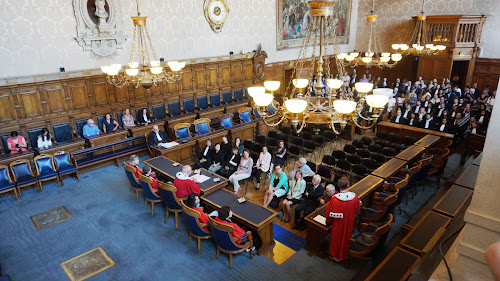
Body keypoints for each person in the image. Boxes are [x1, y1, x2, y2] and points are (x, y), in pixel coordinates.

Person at [326, 177, 360, 262]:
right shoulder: (354, 197)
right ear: (348, 185)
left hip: (338, 224)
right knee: (346, 237)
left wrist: (328, 222)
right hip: (349, 221)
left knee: (336, 238)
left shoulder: (335, 199)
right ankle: (343, 254)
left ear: (338, 185)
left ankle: (335, 255)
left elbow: (329, 213)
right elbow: (357, 208)